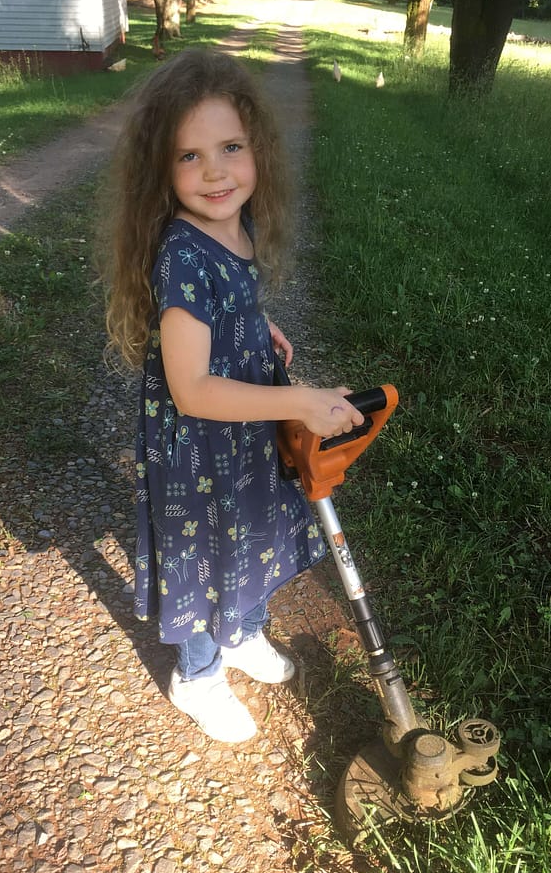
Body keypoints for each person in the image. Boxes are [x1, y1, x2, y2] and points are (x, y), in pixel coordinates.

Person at [101, 48, 363, 744]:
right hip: (200, 441)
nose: (215, 171)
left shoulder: (235, 224)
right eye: (189, 156)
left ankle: (243, 630)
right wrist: (300, 402)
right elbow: (190, 389)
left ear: (256, 149)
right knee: (203, 554)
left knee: (251, 531)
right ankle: (198, 673)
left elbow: (231, 301)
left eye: (229, 147)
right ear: (160, 168)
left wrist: (257, 324)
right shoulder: (181, 255)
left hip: (240, 426)